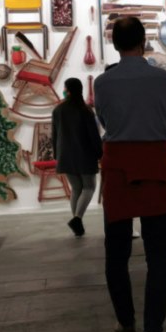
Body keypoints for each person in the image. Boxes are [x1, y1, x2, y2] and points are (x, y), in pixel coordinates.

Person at [94, 16, 166, 332]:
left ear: (115, 44)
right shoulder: (163, 79)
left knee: (117, 254)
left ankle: (126, 323)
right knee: (158, 253)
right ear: (144, 42)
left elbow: (104, 121)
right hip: (156, 162)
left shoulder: (103, 83)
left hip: (118, 165)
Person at [51, 77, 102, 237]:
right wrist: (99, 152)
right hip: (84, 153)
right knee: (89, 187)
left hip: (65, 155)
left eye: (65, 88)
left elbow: (54, 135)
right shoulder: (85, 110)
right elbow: (93, 135)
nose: (64, 91)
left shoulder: (57, 110)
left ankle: (77, 225)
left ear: (68, 90)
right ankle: (77, 219)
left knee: (76, 189)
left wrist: (57, 155)